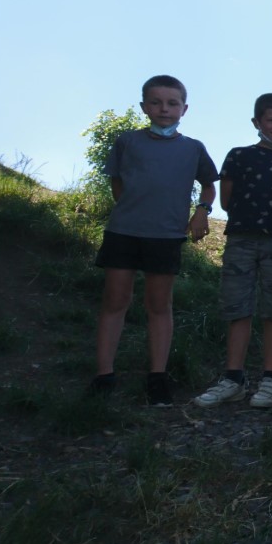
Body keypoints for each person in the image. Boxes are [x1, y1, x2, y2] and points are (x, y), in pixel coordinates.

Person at [89, 74, 218, 406]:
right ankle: (104, 375)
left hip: (166, 235)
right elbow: (117, 183)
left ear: (184, 108)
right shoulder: (127, 142)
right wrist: (132, 210)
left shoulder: (193, 148)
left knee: (159, 305)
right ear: (144, 106)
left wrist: (202, 211)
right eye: (156, 102)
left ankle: (157, 377)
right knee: (115, 300)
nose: (164, 109)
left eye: (172, 103)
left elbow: (209, 185)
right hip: (124, 232)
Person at [193, 93, 272, 409]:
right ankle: (233, 379)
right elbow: (226, 201)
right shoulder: (238, 156)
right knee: (237, 306)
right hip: (241, 239)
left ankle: (270, 379)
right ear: (257, 122)